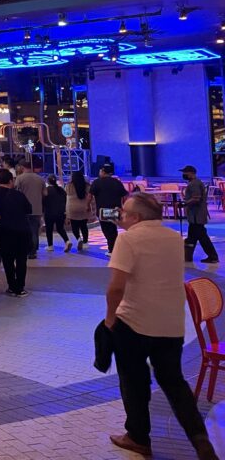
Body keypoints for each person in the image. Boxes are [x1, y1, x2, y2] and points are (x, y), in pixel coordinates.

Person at [104, 192, 219, 460]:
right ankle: (200, 440)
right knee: (174, 383)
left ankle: (138, 437)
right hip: (170, 323)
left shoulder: (128, 239)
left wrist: (110, 319)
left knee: (133, 381)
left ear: (137, 217)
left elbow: (116, 287)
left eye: (124, 211)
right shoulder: (173, 238)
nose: (120, 215)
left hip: (133, 322)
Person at [0, 168, 32, 297]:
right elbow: (29, 209)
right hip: (22, 231)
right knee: (21, 260)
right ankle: (20, 288)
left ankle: (12, 286)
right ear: (10, 180)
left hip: (4, 231)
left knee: (8, 260)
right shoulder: (18, 195)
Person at [182, 165, 218, 264]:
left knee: (200, 236)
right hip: (195, 216)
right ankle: (188, 257)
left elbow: (196, 198)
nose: (183, 174)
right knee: (193, 237)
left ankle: (213, 256)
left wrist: (185, 203)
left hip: (196, 216)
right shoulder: (195, 183)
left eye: (185, 172)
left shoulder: (194, 184)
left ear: (191, 173)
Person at [91, 164, 128, 254]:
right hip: (115, 209)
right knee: (112, 228)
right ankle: (113, 248)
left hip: (102, 210)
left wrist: (89, 206)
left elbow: (90, 195)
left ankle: (112, 249)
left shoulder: (97, 182)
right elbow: (125, 195)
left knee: (106, 229)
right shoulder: (117, 182)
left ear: (103, 171)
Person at [14, 163, 44, 259]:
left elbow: (15, 191)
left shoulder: (20, 178)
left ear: (23, 168)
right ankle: (34, 251)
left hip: (24, 209)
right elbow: (45, 193)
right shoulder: (40, 178)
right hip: (37, 208)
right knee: (34, 230)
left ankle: (28, 250)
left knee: (26, 231)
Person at [42, 176, 72, 252]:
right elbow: (65, 201)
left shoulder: (46, 190)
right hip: (60, 212)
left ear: (48, 181)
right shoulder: (61, 190)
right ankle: (67, 241)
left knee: (49, 229)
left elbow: (43, 201)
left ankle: (50, 246)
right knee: (60, 228)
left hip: (49, 213)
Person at [66, 170, 93, 251]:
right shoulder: (87, 185)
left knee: (74, 226)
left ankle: (78, 239)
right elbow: (90, 196)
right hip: (84, 207)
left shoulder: (69, 186)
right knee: (83, 226)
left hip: (72, 208)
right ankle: (85, 242)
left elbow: (66, 193)